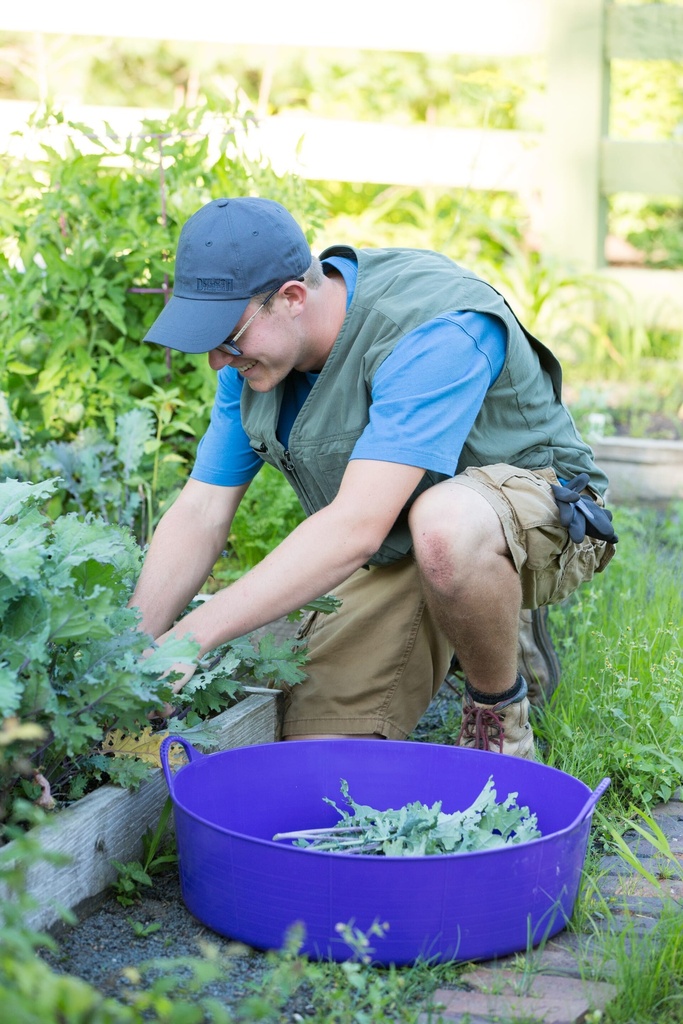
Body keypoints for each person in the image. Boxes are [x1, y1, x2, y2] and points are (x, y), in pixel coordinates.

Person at [131, 196, 617, 759]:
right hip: (403, 535)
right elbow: (201, 512)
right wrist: (132, 653)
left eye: (227, 339)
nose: (218, 360)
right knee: (322, 751)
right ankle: (470, 616)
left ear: (291, 297)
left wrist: (192, 636)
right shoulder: (255, 360)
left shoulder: (432, 330)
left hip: (542, 514)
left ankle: (498, 716)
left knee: (448, 528)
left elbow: (356, 526)